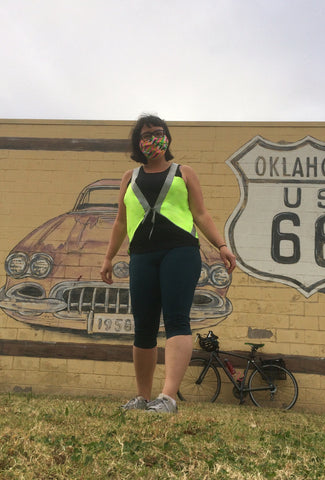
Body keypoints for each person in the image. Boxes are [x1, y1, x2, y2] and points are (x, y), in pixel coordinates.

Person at [100, 114, 236, 413]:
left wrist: (222, 245)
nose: (152, 140)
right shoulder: (129, 177)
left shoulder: (183, 173)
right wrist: (109, 257)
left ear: (167, 137)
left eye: (158, 133)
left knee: (176, 319)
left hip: (180, 251)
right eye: (145, 136)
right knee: (144, 326)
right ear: (138, 144)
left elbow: (201, 214)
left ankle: (168, 398)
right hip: (142, 255)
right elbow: (121, 221)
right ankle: (142, 397)